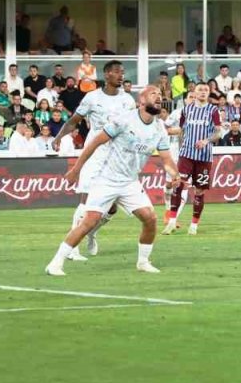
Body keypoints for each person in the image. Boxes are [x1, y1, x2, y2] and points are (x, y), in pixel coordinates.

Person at [47, 87, 176, 276]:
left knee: (150, 218)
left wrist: (176, 174)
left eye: (160, 96)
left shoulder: (159, 129)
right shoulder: (124, 120)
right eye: (153, 94)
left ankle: (143, 262)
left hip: (130, 182)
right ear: (141, 100)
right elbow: (95, 142)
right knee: (89, 222)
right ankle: (55, 263)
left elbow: (166, 159)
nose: (159, 97)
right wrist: (76, 169)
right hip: (106, 179)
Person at [52, 60, 137, 260]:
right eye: (117, 72)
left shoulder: (128, 101)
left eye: (122, 72)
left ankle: (91, 231)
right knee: (86, 199)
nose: (121, 75)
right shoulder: (92, 98)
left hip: (118, 156)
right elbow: (74, 121)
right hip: (95, 152)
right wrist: (59, 137)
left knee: (113, 207)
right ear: (107, 75)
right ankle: (73, 248)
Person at [164, 82, 224, 235]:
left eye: (206, 90)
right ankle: (171, 222)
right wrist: (169, 133)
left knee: (199, 191)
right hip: (186, 155)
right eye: (200, 90)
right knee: (178, 185)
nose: (203, 92)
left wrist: (206, 141)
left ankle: (194, 225)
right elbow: (182, 130)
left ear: (209, 93)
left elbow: (218, 133)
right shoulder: (187, 110)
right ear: (194, 93)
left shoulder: (213, 110)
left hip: (204, 157)